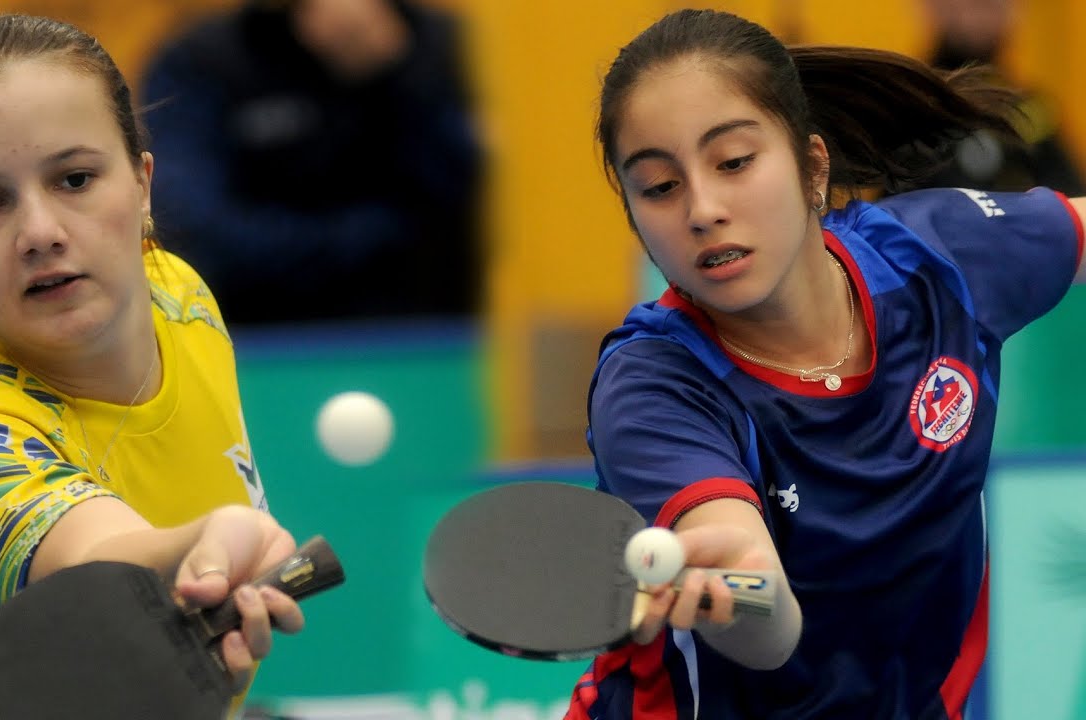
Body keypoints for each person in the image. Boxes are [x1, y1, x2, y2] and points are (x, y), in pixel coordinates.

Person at [566, 8, 1085, 719]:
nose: (702, 209)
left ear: (813, 167)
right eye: (659, 187)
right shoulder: (655, 384)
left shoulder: (937, 262)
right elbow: (769, 633)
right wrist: (738, 581)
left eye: (734, 162)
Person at [0, 14, 308, 719]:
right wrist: (203, 544)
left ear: (143, 183)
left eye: (74, 178)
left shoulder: (179, 299)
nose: (40, 233)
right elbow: (93, 558)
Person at [139, 0, 483, 325]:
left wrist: (397, 69)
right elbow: (192, 227)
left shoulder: (445, 44)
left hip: (434, 332)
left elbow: (476, 199)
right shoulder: (201, 61)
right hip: (262, 336)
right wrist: (370, 237)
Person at [916, 0, 1086, 194]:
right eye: (977, 5)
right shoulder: (913, 99)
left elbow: (1070, 193)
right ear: (932, 6)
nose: (982, 19)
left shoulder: (1029, 107)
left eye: (996, 6)